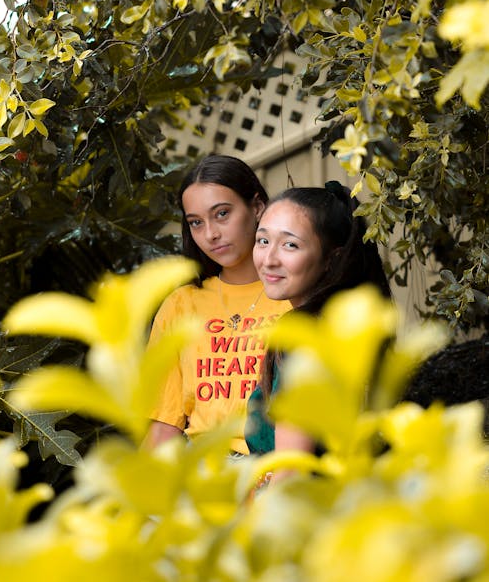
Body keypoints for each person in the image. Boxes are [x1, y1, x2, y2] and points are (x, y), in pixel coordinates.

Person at [144, 154, 291, 454]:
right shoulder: (180, 305)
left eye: (222, 214)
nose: (210, 234)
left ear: (258, 206)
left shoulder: (295, 296)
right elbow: (163, 426)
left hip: (279, 469)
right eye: (196, 223)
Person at [245, 182, 391, 458]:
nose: (268, 259)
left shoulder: (306, 336)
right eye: (263, 240)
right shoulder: (349, 326)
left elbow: (291, 467)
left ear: (331, 259)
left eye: (290, 245)